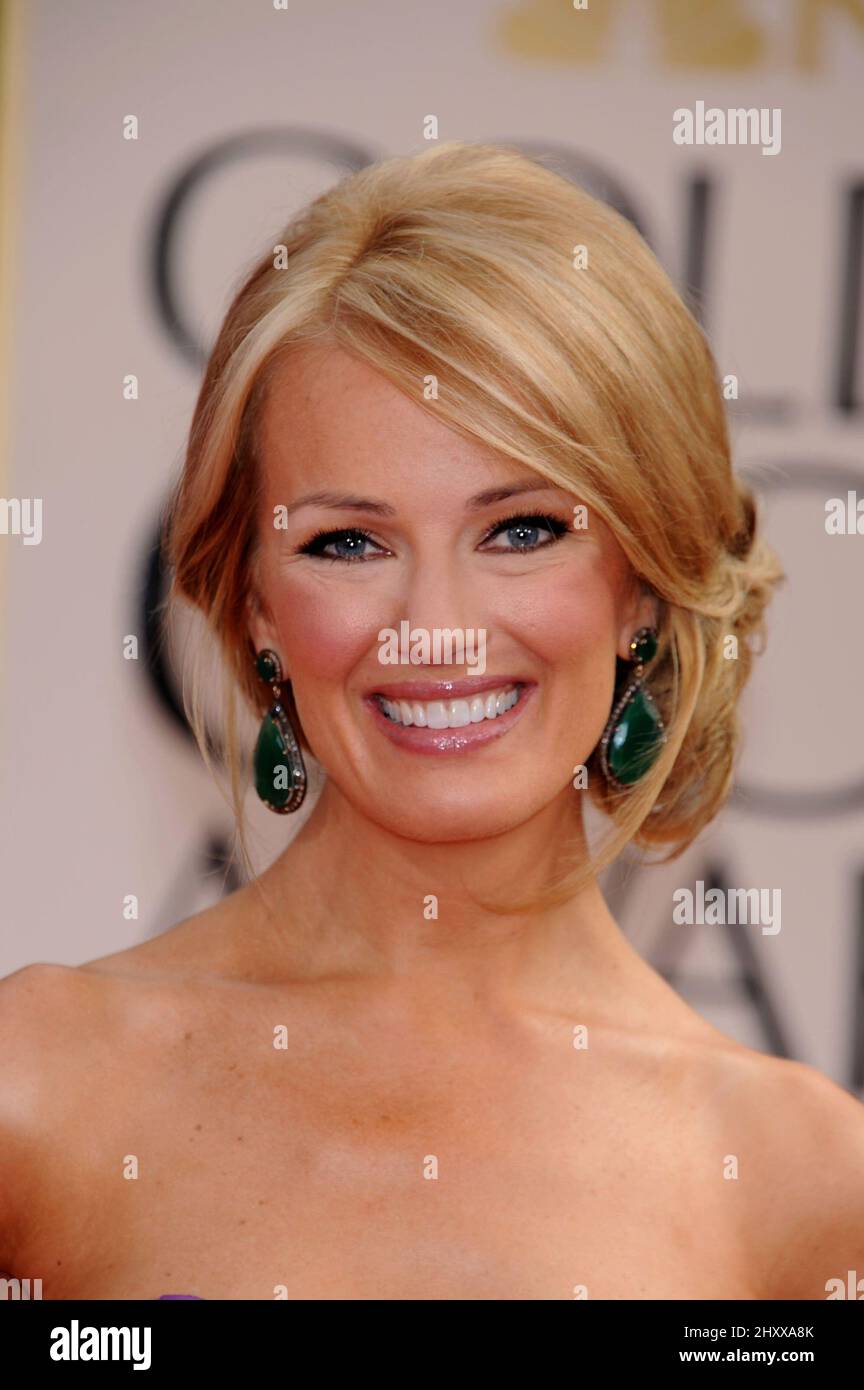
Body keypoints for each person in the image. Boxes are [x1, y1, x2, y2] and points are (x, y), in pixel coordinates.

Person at [2, 142, 863, 1301]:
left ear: (644, 590)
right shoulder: (40, 1088)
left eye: (522, 530)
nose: (436, 629)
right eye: (347, 542)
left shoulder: (804, 1188)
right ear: (255, 606)